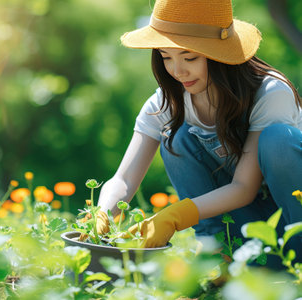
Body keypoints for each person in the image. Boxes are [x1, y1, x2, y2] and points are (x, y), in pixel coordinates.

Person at [91, 0, 302, 264]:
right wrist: (103, 214)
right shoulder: (167, 103)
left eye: (189, 57)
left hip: (292, 223)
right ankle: (217, 258)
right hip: (245, 234)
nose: (177, 71)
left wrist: (175, 215)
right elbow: (123, 179)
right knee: (175, 138)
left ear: (219, 54)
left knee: (278, 140)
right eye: (166, 57)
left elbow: (243, 187)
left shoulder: (271, 93)